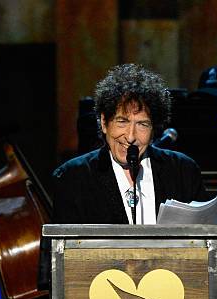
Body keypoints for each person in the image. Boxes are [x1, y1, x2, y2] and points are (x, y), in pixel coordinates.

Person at [52, 64, 208, 224]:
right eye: (122, 121)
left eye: (142, 124)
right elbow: (59, 247)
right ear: (104, 122)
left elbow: (210, 240)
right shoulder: (73, 178)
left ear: (153, 128)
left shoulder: (183, 171)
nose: (131, 136)